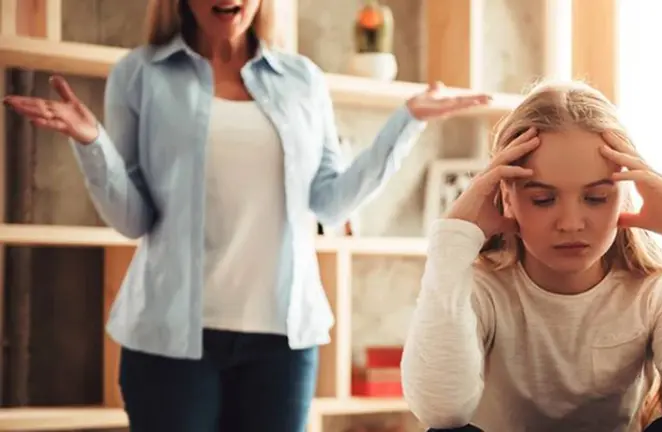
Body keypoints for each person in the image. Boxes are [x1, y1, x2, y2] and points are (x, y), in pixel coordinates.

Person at [2, 0, 491, 431]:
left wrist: (406, 122)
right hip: (169, 343)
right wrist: (92, 143)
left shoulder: (302, 79)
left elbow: (330, 202)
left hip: (281, 346)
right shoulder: (140, 74)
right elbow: (132, 218)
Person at [400, 80, 662, 432]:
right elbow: (441, 411)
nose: (571, 223)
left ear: (624, 194)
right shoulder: (481, 288)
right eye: (543, 199)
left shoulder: (654, 291)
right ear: (507, 197)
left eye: (596, 198)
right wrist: (451, 243)